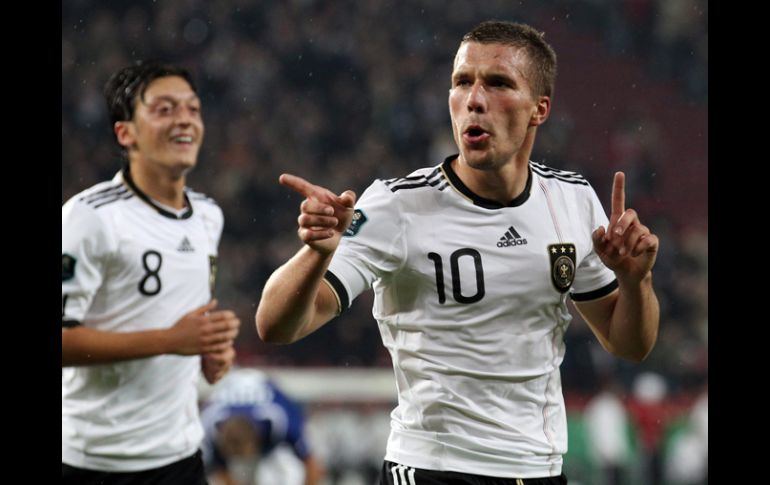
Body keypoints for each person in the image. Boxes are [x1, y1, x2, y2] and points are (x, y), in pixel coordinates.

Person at [256, 20, 659, 484]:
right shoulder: (396, 206)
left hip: (538, 469)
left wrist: (635, 281)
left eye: (498, 83)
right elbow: (275, 325)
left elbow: (630, 344)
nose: (474, 99)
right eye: (462, 81)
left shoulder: (572, 201)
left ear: (538, 110)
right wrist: (316, 255)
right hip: (432, 467)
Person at [62, 60, 241, 484]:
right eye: (164, 109)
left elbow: (182, 325)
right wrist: (170, 341)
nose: (184, 119)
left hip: (180, 457)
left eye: (192, 109)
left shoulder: (208, 216)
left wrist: (210, 355)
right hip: (95, 462)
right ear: (126, 133)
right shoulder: (89, 218)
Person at [200, 368, 325, 485]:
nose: (242, 462)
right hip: (229, 388)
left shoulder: (280, 419)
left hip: (267, 393)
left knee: (289, 472)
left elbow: (312, 463)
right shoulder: (208, 424)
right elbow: (218, 469)